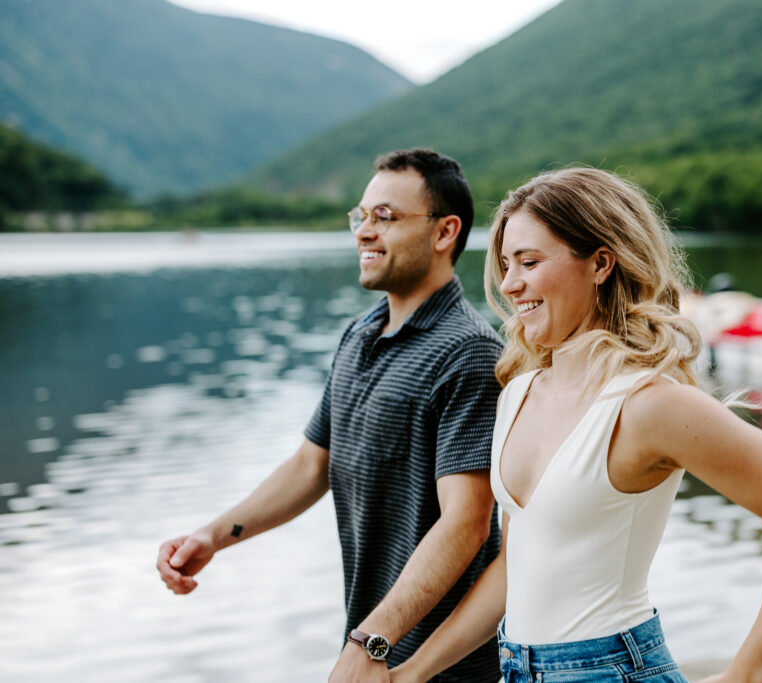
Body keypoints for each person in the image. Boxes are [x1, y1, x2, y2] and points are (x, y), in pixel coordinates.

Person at [389, 167, 762, 683]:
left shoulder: (650, 405)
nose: (511, 283)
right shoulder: (517, 394)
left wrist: (745, 675)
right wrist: (412, 672)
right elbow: (514, 571)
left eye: (529, 261)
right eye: (505, 264)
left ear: (601, 263)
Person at [155, 149, 504, 683]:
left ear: (444, 233)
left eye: (385, 216)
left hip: (441, 664)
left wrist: (371, 641)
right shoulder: (360, 334)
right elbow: (311, 465)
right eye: (359, 216)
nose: (364, 231)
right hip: (372, 650)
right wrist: (213, 536)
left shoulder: (469, 352)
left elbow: (467, 522)